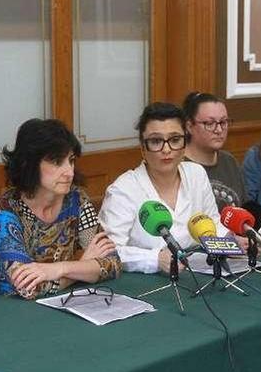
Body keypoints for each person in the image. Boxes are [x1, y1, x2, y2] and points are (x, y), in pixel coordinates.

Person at [0, 119, 121, 300]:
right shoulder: (5, 210)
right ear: (29, 164)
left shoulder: (76, 200)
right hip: (4, 312)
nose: (69, 172)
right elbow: (28, 288)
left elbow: (112, 263)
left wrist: (60, 268)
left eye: (71, 160)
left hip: (58, 303)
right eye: (56, 162)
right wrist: (83, 266)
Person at [100, 102, 242, 274]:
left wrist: (230, 242)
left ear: (184, 144)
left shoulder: (196, 174)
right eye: (156, 141)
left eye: (175, 140)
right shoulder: (123, 190)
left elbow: (212, 222)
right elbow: (108, 252)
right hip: (144, 284)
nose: (166, 149)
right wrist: (155, 259)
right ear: (143, 148)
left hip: (198, 273)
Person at [182, 91, 246, 209]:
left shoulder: (229, 161)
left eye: (223, 122)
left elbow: (244, 206)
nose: (219, 129)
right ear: (189, 126)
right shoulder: (179, 166)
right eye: (210, 123)